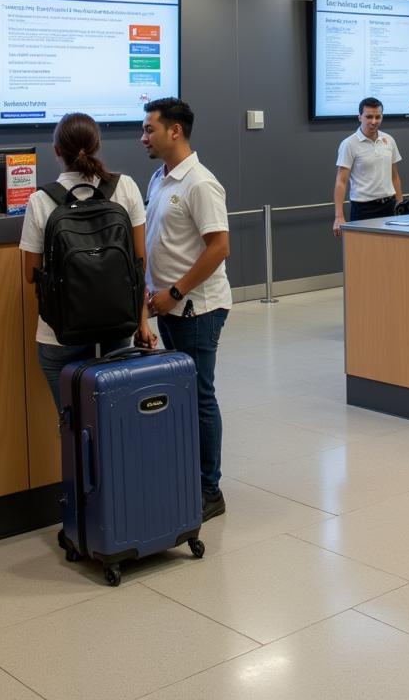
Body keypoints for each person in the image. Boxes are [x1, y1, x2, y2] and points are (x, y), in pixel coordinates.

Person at [20, 112, 154, 410]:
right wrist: (142, 321)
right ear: (97, 146)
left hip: (60, 332)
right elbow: (139, 262)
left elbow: (31, 273)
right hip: (118, 323)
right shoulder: (126, 187)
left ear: (57, 151)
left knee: (71, 423)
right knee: (115, 418)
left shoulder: (41, 200)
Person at [141, 97, 232, 521]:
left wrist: (174, 292)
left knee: (198, 398)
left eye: (150, 130)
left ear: (174, 131)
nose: (144, 137)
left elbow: (219, 248)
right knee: (181, 396)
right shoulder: (159, 179)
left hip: (197, 308)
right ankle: (189, 479)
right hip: (168, 305)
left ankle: (209, 490)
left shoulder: (200, 183)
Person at [333, 96, 403, 235]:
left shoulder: (389, 140)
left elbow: (394, 176)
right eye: (369, 117)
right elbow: (341, 181)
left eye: (378, 117)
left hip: (389, 206)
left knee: (390, 252)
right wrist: (338, 216)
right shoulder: (349, 144)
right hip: (363, 209)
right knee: (363, 254)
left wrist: (400, 203)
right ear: (360, 117)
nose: (374, 121)